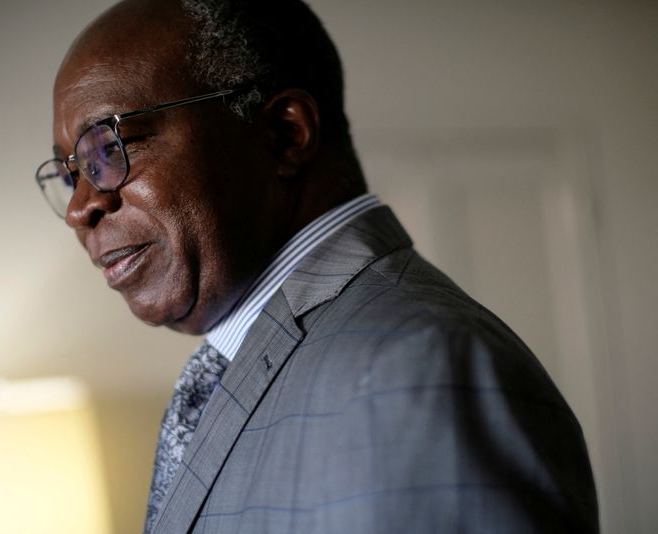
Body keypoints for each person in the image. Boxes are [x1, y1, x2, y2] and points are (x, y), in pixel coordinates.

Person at [35, 0, 599, 532]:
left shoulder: (418, 370)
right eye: (70, 174)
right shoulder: (272, 360)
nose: (81, 207)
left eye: (108, 149)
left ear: (284, 134)